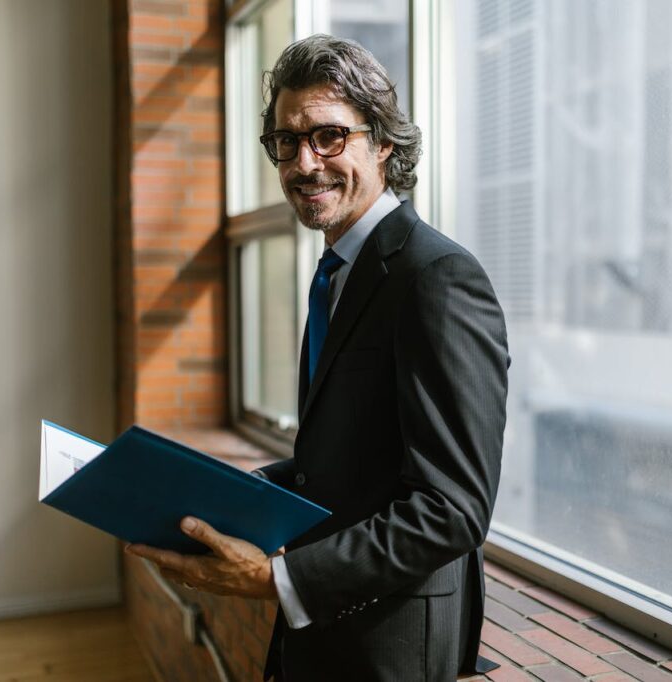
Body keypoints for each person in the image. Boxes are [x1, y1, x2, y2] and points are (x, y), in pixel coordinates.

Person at [127, 34, 509, 681]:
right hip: (327, 627)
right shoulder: (339, 270)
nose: (305, 163)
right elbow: (353, 460)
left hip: (390, 642)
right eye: (287, 141)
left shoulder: (436, 277)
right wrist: (229, 497)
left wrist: (279, 578)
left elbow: (452, 508)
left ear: (383, 142)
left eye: (329, 136)